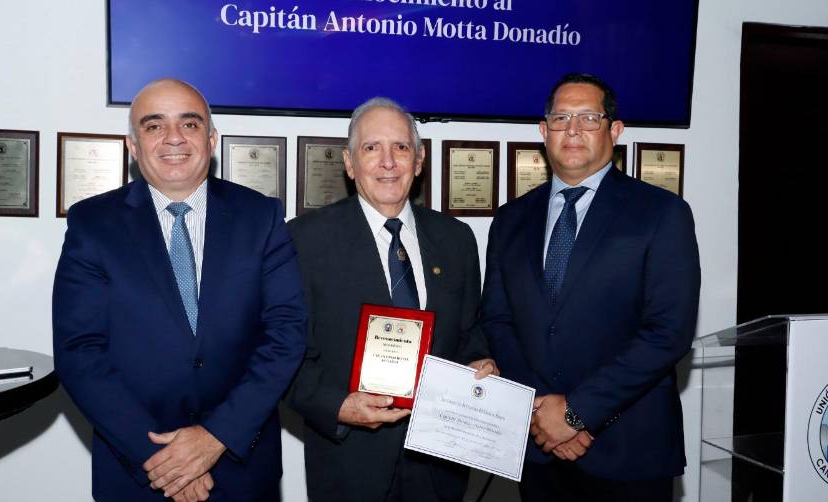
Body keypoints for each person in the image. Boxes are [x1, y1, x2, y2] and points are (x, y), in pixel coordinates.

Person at [52, 78, 307, 501]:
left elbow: (286, 334)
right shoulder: (92, 224)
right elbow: (79, 352)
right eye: (154, 126)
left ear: (211, 140)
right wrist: (166, 462)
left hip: (240, 465)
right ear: (134, 147)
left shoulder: (260, 217)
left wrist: (214, 438)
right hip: (140, 471)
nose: (174, 137)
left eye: (189, 124)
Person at [480, 73, 701, 502]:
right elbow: (498, 319)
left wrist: (577, 413)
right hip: (539, 448)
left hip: (629, 452)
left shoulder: (661, 213)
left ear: (614, 131)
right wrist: (543, 412)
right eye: (561, 118)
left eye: (588, 118)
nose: (573, 130)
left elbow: (668, 332)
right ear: (544, 131)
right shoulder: (510, 220)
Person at [287, 97, 497, 502]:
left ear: (418, 161)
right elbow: (283, 352)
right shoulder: (304, 240)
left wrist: (479, 360)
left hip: (439, 466)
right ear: (349, 163)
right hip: (350, 466)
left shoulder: (456, 239)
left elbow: (469, 331)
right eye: (371, 148)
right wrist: (337, 406)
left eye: (401, 147)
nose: (388, 162)